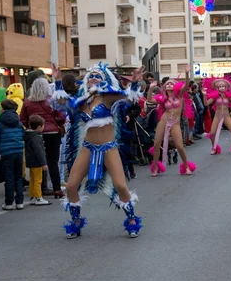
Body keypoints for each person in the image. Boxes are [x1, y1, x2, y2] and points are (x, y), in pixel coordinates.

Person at [51, 62, 145, 239]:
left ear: (104, 80)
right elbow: (61, 100)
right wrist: (57, 80)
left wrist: (133, 82)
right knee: (71, 186)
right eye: (91, 76)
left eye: (98, 76)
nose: (93, 78)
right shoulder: (81, 101)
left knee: (120, 186)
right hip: (87, 148)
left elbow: (128, 98)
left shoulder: (108, 98)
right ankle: (76, 222)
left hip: (109, 148)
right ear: (86, 80)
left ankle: (132, 219)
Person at [20, 77, 67, 199]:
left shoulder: (27, 102)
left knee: (39, 161)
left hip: (35, 134)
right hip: (52, 133)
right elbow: (62, 116)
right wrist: (58, 125)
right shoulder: (52, 101)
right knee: (53, 162)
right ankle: (57, 189)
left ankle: (41, 188)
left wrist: (32, 127)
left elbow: (23, 119)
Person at [148, 65, 196, 176]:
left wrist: (187, 74)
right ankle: (155, 167)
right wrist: (151, 88)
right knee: (156, 144)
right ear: (165, 87)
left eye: (172, 83)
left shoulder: (180, 96)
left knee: (179, 146)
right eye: (167, 83)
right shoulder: (162, 98)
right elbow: (150, 100)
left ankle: (186, 166)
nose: (169, 84)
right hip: (164, 121)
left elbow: (186, 85)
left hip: (175, 123)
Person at [0, 100, 26, 210]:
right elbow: (23, 134)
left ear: (4, 109)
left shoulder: (0, 123)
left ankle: (8, 203)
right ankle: (20, 202)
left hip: (6, 152)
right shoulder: (18, 122)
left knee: (9, 177)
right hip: (18, 151)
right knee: (18, 177)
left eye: (1, 107)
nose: (0, 109)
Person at [201, 76, 231, 155]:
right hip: (217, 116)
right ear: (217, 88)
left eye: (223, 86)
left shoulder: (228, 96)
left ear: (226, 87)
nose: (222, 88)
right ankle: (214, 147)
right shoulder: (215, 96)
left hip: (226, 116)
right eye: (220, 86)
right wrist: (204, 95)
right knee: (212, 133)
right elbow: (206, 103)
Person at [25, 115, 51, 206]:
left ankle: (33, 196)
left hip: (30, 160)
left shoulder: (28, 135)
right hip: (37, 162)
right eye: (43, 126)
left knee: (32, 179)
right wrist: (44, 163)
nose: (44, 128)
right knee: (38, 180)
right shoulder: (36, 137)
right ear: (39, 126)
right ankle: (38, 197)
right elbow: (39, 151)